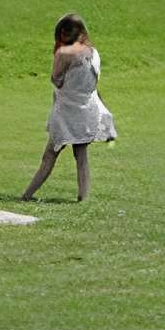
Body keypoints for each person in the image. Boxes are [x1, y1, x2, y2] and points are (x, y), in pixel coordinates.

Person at [22, 13, 115, 203]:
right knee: (81, 155)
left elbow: (56, 80)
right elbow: (94, 85)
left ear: (63, 34)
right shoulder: (94, 53)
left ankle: (27, 194)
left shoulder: (64, 54)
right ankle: (82, 196)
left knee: (50, 154)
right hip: (87, 110)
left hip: (66, 111)